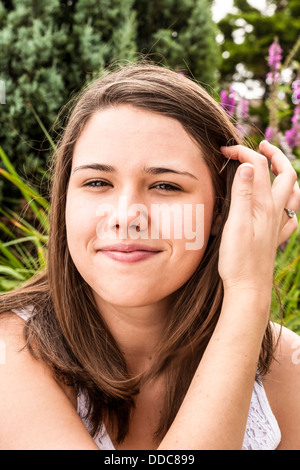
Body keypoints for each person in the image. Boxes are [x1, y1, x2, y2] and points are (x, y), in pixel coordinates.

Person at [0, 64, 300, 450]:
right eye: (97, 183)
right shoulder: (10, 350)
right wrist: (247, 292)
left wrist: (247, 293)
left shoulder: (287, 367)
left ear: (221, 212)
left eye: (165, 185)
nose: (126, 216)